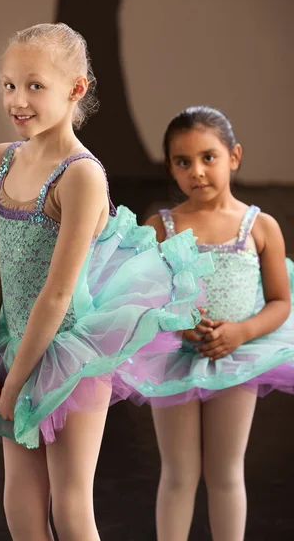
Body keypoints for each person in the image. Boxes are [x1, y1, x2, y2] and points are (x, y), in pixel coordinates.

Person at [0, 26, 212, 541]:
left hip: (69, 353)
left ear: (76, 88)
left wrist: (19, 377)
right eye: (8, 85)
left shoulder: (82, 175)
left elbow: (57, 294)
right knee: (21, 510)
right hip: (12, 345)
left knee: (71, 509)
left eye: (34, 85)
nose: (17, 100)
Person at [116, 105, 294, 541]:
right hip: (174, 359)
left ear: (234, 156)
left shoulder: (260, 227)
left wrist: (242, 331)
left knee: (227, 472)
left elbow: (280, 301)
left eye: (208, 157)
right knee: (177, 473)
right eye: (183, 161)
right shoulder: (160, 227)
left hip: (236, 358)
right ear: (171, 169)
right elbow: (141, 298)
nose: (197, 171)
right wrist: (177, 325)